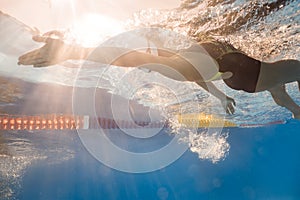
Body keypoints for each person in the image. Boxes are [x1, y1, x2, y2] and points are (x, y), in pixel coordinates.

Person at [18, 31, 300, 119]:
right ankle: (71, 50)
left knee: (281, 89)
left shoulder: (191, 62)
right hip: (238, 72)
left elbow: (200, 76)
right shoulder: (190, 58)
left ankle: (72, 50)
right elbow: (136, 57)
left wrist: (220, 95)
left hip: (235, 75)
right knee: (146, 59)